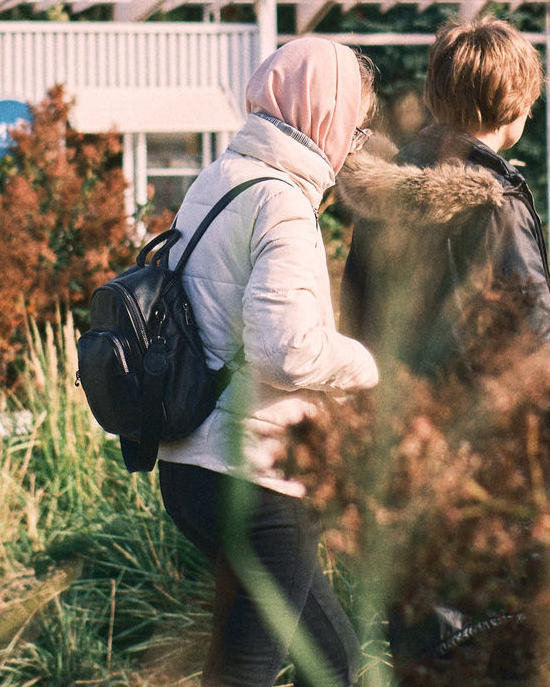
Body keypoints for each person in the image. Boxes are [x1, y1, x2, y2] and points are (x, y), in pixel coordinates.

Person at [159, 37, 381, 687]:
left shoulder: (218, 178)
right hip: (255, 477)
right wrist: (370, 365)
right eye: (356, 124)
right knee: (244, 671)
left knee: (330, 659)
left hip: (191, 467)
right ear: (323, 111)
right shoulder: (282, 200)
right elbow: (285, 348)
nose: (356, 141)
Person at [338, 13, 550, 382]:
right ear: (518, 101)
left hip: (392, 419)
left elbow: (356, 317)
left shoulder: (381, 187)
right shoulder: (495, 201)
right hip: (472, 423)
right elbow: (538, 339)